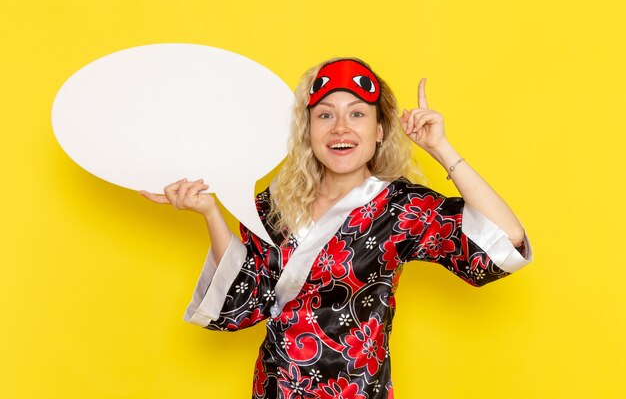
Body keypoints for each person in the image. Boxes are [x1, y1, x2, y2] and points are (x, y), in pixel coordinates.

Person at [141, 58, 532, 399]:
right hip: (275, 389)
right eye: (325, 115)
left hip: (359, 390)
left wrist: (441, 148)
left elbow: (505, 241)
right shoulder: (272, 205)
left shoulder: (401, 207)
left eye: (357, 114)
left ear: (380, 131)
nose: (340, 128)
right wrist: (211, 212)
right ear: (308, 131)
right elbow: (243, 304)